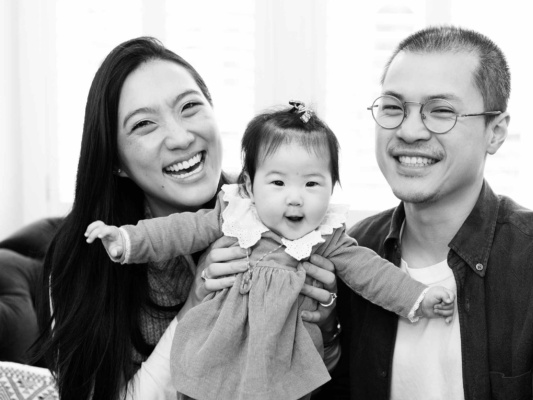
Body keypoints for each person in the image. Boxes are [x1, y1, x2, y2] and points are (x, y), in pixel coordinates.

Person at [85, 101, 456, 400]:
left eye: (312, 183)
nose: (294, 198)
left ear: (332, 189)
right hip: (218, 348)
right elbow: (177, 230)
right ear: (248, 185)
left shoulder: (326, 237)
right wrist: (126, 240)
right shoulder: (234, 215)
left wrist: (418, 297)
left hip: (284, 361)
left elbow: (374, 274)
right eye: (277, 182)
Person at [34, 37, 338, 400]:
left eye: (190, 107)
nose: (180, 137)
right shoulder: (83, 258)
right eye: (144, 124)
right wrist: (195, 305)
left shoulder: (280, 217)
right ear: (115, 160)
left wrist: (326, 324)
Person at [317, 26, 533, 399]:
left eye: (441, 111)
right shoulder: (350, 252)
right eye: (393, 107)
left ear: (495, 133)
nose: (410, 130)